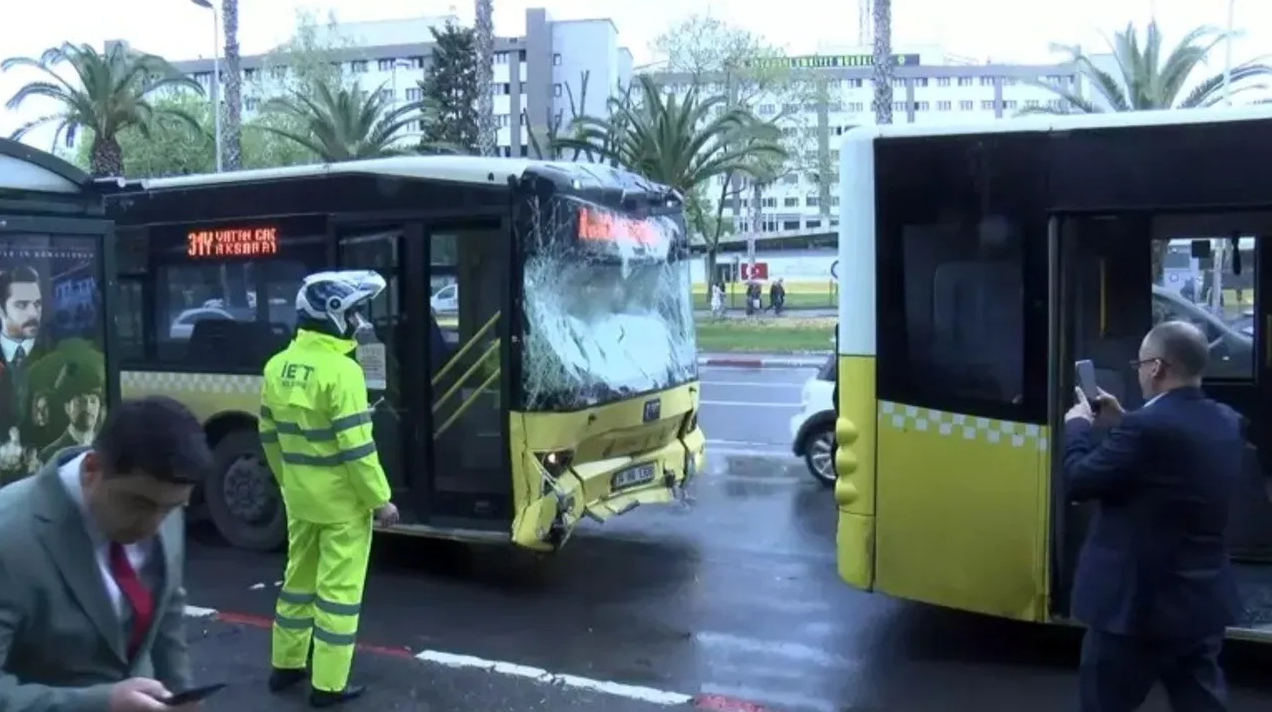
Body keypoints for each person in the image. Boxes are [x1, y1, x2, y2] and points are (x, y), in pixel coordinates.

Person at [1064, 320, 1244, 712]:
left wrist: (1077, 427)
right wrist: (1125, 419)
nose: (1140, 372)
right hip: (1198, 605)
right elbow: (1169, 458)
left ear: (1157, 368)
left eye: (1140, 364)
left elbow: (1079, 481)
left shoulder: (1147, 429)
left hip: (1133, 610)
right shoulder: (1227, 422)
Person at [0, 396, 211, 711]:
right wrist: (102, 703)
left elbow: (168, 610)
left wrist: (183, 695)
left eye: (171, 508)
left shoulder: (161, 497)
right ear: (92, 468)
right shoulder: (10, 535)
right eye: (139, 503)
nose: (154, 526)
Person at [260, 270, 400, 708]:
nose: (359, 321)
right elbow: (358, 448)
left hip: (300, 500)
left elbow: (268, 436)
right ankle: (328, 685)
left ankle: (285, 667)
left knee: (297, 583)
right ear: (334, 315)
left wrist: (290, 483)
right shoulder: (343, 372)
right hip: (343, 507)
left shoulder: (276, 365)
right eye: (354, 312)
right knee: (338, 596)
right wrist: (381, 500)